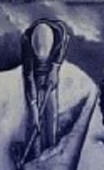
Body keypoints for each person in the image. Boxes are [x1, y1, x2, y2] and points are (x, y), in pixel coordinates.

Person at [19, 18, 68, 160]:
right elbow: (28, 76)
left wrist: (55, 68)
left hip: (50, 75)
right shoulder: (27, 41)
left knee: (50, 113)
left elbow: (61, 52)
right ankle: (33, 153)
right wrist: (33, 104)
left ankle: (50, 149)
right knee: (33, 120)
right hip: (34, 77)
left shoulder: (59, 33)